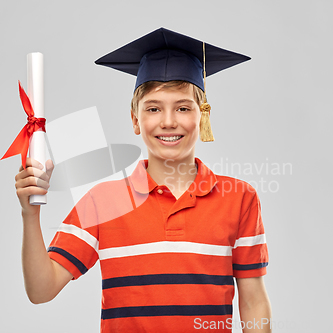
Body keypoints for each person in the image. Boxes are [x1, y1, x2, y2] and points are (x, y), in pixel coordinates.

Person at [15, 27, 271, 332]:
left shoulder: (239, 198)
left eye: (183, 107)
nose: (168, 121)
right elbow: (41, 291)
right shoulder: (102, 201)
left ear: (202, 116)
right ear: (136, 120)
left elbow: (253, 301)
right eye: (153, 108)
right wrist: (30, 214)